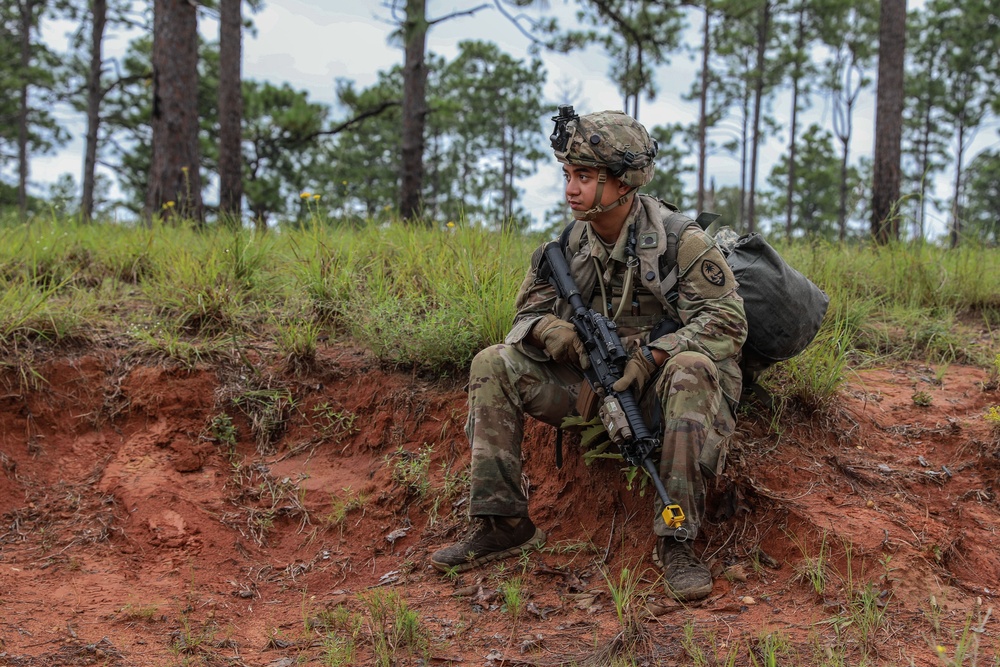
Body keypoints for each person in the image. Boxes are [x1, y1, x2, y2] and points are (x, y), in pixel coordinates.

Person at [430, 108, 747, 601]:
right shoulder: (567, 245)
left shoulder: (681, 242)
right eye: (567, 175)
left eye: (584, 177)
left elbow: (728, 321)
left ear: (623, 183)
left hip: (663, 391)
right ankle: (502, 522)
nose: (570, 189)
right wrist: (554, 332)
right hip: (593, 389)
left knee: (692, 370)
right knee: (493, 363)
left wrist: (654, 356)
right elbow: (525, 315)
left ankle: (677, 541)